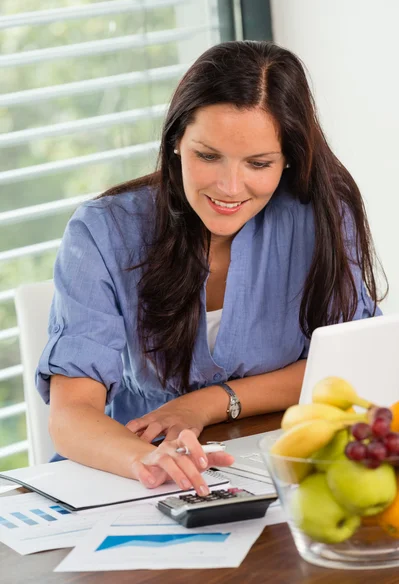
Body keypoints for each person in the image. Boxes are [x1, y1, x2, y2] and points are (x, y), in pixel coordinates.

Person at [36, 40, 386, 496]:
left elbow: (351, 367)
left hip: (280, 464)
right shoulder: (103, 232)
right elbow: (71, 414)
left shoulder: (321, 216)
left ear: (289, 159)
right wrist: (147, 460)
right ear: (177, 139)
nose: (229, 186)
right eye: (208, 155)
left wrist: (206, 404)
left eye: (258, 163)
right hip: (130, 475)